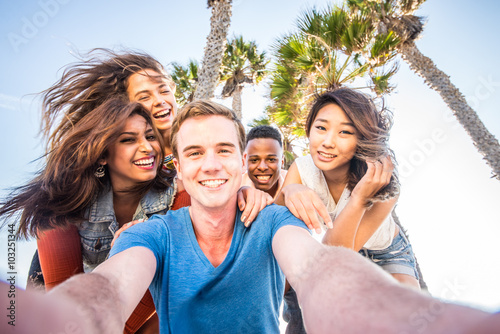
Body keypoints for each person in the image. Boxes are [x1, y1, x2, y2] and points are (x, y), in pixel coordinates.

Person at [19, 100, 493, 334]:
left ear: (242, 164)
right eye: (195, 153)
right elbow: (110, 288)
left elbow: (322, 271)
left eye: (225, 149)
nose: (211, 164)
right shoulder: (153, 233)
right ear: (178, 169)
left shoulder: (272, 222)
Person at [276, 88, 419, 333]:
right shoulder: (301, 169)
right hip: (338, 245)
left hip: (387, 252)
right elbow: (274, 228)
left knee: (408, 319)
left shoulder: (383, 186)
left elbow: (336, 255)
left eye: (345, 132)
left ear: (362, 138)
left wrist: (360, 198)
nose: (327, 142)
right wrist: (290, 190)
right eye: (320, 128)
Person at [241, 125, 288, 199]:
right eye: (254, 160)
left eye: (271, 160)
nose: (262, 167)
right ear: (245, 160)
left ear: (282, 161)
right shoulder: (234, 190)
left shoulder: (295, 183)